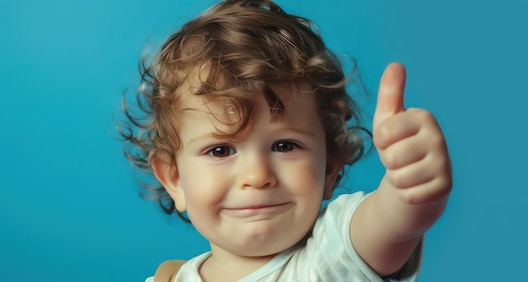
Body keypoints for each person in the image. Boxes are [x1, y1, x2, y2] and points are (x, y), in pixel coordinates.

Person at [119, 0, 452, 281]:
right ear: (174, 178)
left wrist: (409, 192)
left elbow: (390, 221)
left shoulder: (334, 254)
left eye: (284, 146)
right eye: (221, 150)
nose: (257, 176)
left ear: (329, 169)